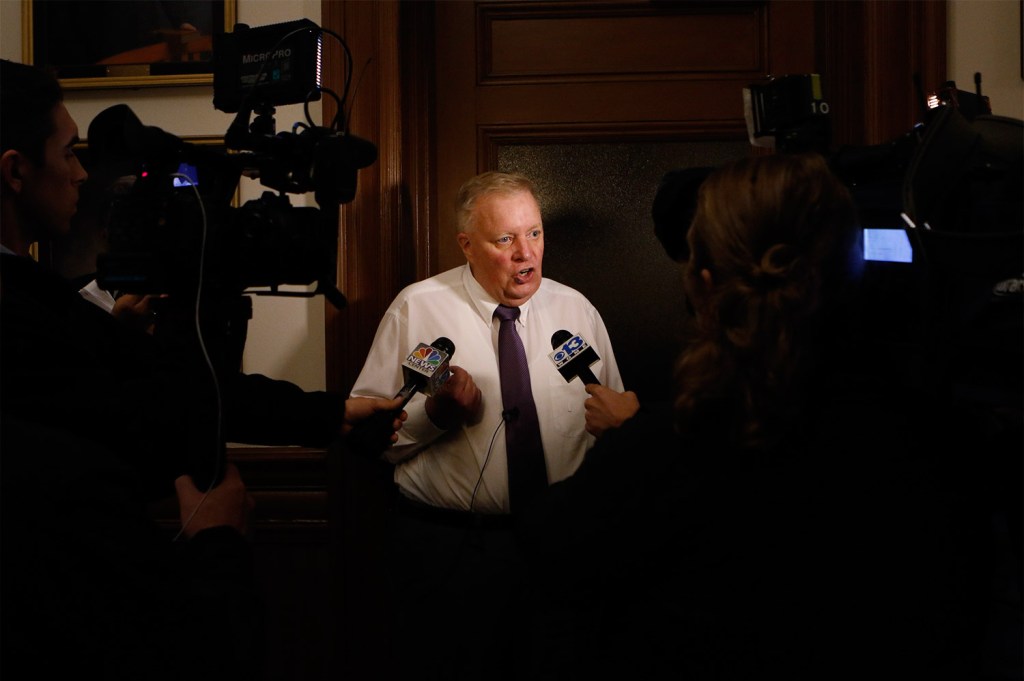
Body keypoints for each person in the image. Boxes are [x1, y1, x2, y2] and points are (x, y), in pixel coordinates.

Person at [518, 152, 994, 680]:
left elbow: (550, 577)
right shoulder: (952, 443)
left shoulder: (659, 458)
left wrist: (637, 445)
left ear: (701, 288)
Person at [0, 58, 402, 677]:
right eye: (68, 153)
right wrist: (216, 543)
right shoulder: (26, 316)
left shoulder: (37, 307)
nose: (82, 172)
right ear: (15, 170)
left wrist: (332, 413)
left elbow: (173, 391)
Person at [349, 170, 625, 680]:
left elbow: (613, 433)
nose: (527, 254)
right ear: (467, 245)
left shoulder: (576, 313)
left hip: (561, 551)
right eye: (506, 239)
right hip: (451, 554)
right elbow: (366, 437)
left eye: (535, 233)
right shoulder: (417, 309)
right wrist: (436, 418)